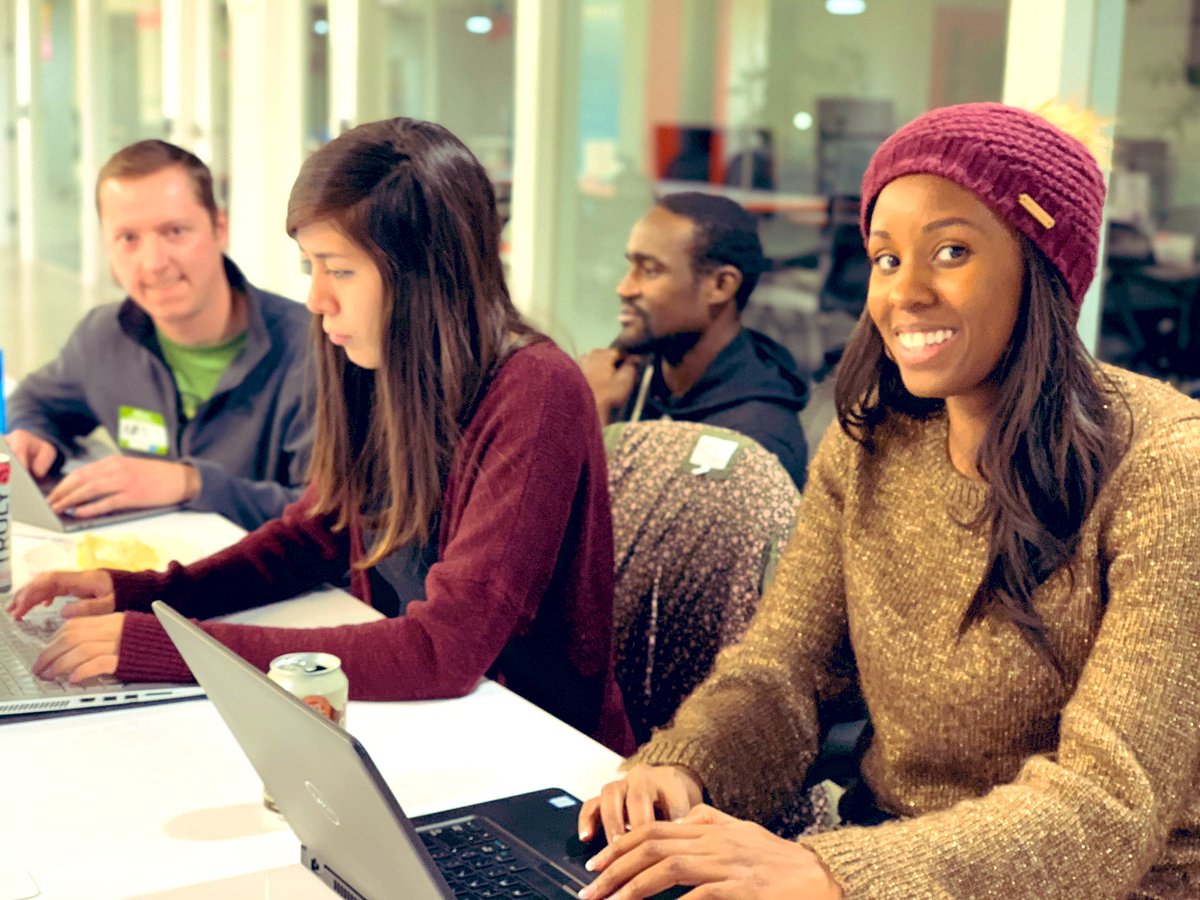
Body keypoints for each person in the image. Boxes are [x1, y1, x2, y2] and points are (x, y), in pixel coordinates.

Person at [573, 102, 1200, 899]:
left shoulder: (1170, 470)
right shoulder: (872, 442)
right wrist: (685, 765)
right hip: (878, 864)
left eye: (951, 251)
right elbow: (780, 676)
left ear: (1044, 267)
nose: (907, 293)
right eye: (885, 257)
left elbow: (1107, 805)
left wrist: (833, 872)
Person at [7, 118, 633, 754]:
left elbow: (443, 651)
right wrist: (149, 595)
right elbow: (316, 531)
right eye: (311, 267)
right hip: (408, 722)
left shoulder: (535, 390)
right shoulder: (375, 357)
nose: (315, 298)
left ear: (421, 272)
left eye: (339, 270)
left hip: (530, 748)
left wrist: (175, 647)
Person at [4, 140, 312, 531]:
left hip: (284, 587)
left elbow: (333, 520)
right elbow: (35, 399)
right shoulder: (104, 337)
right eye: (128, 238)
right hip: (152, 576)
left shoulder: (312, 351)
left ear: (220, 228)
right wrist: (34, 435)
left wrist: (190, 483)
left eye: (175, 231)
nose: (153, 263)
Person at [578, 192, 810, 489]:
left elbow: (625, 531)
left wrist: (592, 411)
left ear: (720, 286)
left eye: (650, 271)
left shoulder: (757, 438)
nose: (624, 287)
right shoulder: (627, 377)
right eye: (630, 267)